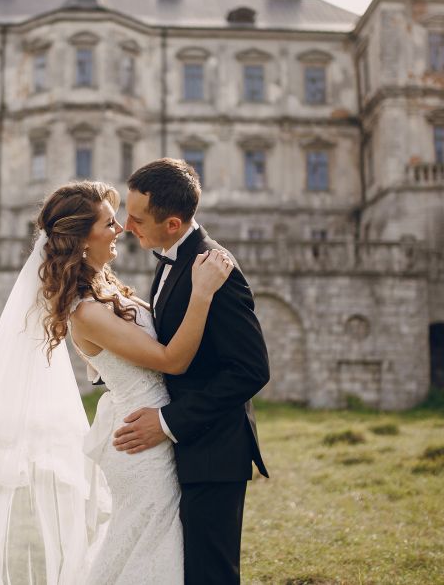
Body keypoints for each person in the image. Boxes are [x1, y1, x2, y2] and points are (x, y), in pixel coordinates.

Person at [0, 180, 233, 584]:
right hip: (142, 448)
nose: (120, 229)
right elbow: (172, 359)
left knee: (143, 551)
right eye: (108, 223)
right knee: (151, 552)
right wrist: (202, 294)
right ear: (82, 239)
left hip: (148, 431)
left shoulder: (105, 289)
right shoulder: (86, 311)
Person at [114, 158, 270, 584]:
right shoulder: (169, 257)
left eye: (137, 218)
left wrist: (166, 423)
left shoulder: (215, 268)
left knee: (210, 576)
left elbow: (251, 369)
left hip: (214, 453)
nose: (126, 226)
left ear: (173, 223)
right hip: (182, 453)